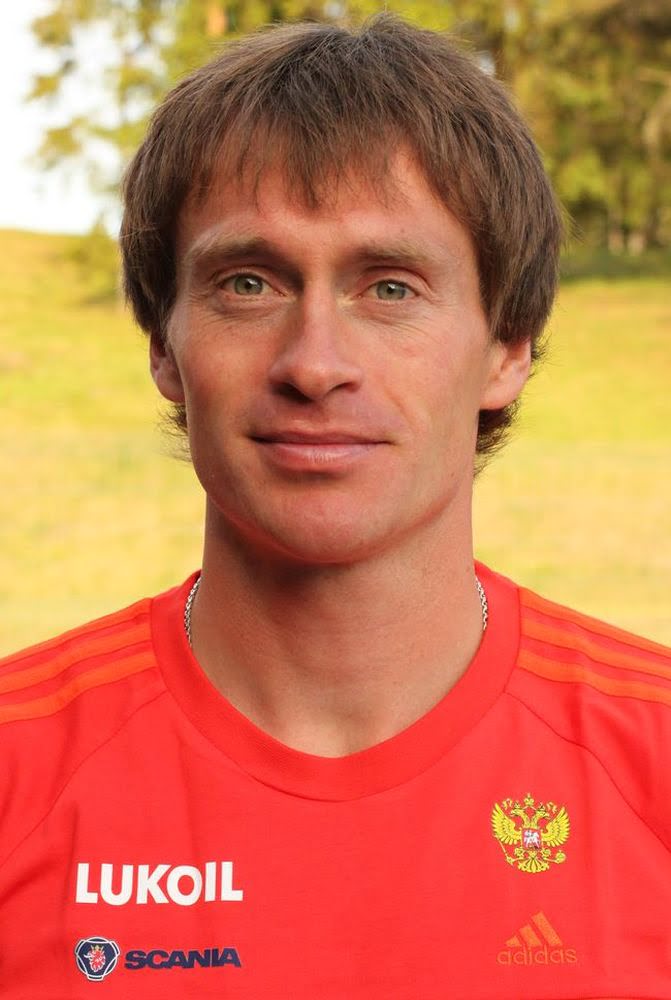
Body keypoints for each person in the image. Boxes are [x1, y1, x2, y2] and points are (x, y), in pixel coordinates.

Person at [1, 14, 669, 998]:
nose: (314, 363)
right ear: (163, 344)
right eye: (248, 283)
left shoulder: (652, 757)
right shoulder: (18, 768)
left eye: (389, 288)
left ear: (506, 347)